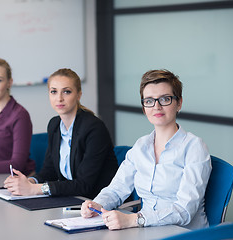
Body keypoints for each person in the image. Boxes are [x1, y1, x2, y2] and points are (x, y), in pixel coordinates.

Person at [81, 69, 212, 230]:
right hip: (146, 231)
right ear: (144, 108)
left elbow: (184, 211)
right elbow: (116, 189)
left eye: (165, 99)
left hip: (184, 234)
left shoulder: (194, 147)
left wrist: (135, 219)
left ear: (179, 103)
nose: (156, 106)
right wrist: (97, 204)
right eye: (149, 100)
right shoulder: (140, 146)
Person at [3, 68, 118, 199]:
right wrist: (29, 182)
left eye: (67, 92)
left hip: (96, 203)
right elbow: (49, 170)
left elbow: (84, 185)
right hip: (70, 200)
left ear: (79, 95)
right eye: (54, 92)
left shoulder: (94, 128)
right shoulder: (54, 125)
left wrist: (35, 189)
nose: (59, 98)